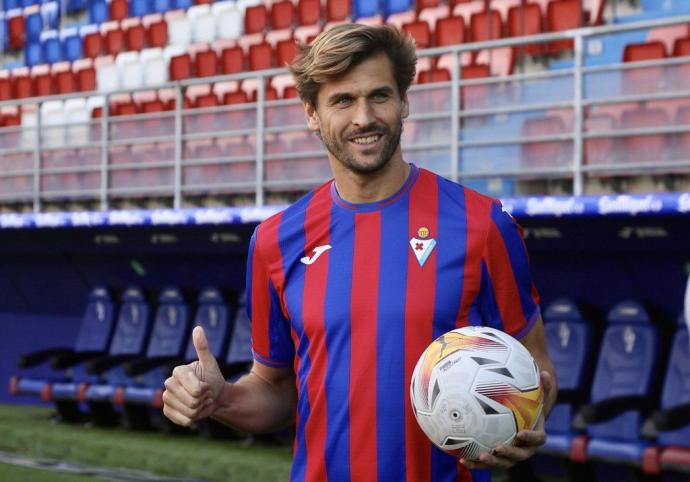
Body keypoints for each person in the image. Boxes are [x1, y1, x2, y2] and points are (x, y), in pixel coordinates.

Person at [162, 23, 557, 482]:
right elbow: (276, 389)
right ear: (312, 113)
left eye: (379, 96)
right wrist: (220, 399)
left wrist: (529, 417)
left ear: (404, 101)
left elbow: (537, 368)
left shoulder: (483, 225)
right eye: (342, 101)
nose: (364, 117)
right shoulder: (275, 240)